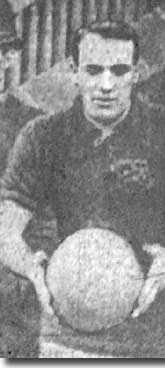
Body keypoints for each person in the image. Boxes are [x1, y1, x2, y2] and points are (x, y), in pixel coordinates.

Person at [0, 21, 165, 358]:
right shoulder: (43, 136)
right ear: (73, 71)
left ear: (137, 72)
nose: (106, 85)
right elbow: (6, 231)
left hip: (161, 336)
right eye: (94, 70)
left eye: (119, 71)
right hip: (68, 332)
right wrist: (31, 267)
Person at [0, 0, 46, 358]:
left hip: (9, 282)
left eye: (4, 49)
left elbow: (48, 208)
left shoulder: (34, 128)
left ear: (11, 56)